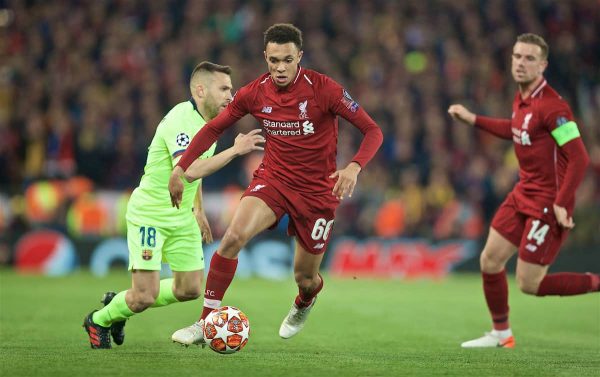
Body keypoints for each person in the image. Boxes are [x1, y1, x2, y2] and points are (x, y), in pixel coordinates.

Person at [168, 23, 383, 345]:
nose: (280, 68)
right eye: (273, 60)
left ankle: (305, 301)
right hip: (274, 180)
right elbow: (214, 129)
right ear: (265, 57)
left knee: (305, 277)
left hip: (316, 193)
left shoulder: (325, 90)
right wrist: (180, 168)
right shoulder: (255, 92)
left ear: (300, 57)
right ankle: (205, 322)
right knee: (232, 238)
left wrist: (353, 167)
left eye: (287, 60)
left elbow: (373, 131)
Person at [82, 61, 265, 349]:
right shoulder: (181, 120)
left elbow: (193, 175)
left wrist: (198, 210)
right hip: (151, 215)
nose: (231, 95)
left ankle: (119, 302)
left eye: (231, 88)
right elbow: (189, 169)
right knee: (144, 297)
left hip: (182, 216)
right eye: (224, 88)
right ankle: (101, 319)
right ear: (200, 90)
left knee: (190, 289)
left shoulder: (210, 125)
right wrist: (236, 150)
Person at [448, 33, 599, 348]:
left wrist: (563, 202)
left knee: (530, 284)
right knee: (489, 260)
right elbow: (515, 128)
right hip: (522, 194)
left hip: (547, 203)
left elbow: (580, 157)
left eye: (530, 58)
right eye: (517, 56)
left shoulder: (554, 107)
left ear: (543, 65)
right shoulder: (523, 99)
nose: (521, 63)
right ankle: (501, 334)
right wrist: (473, 119)